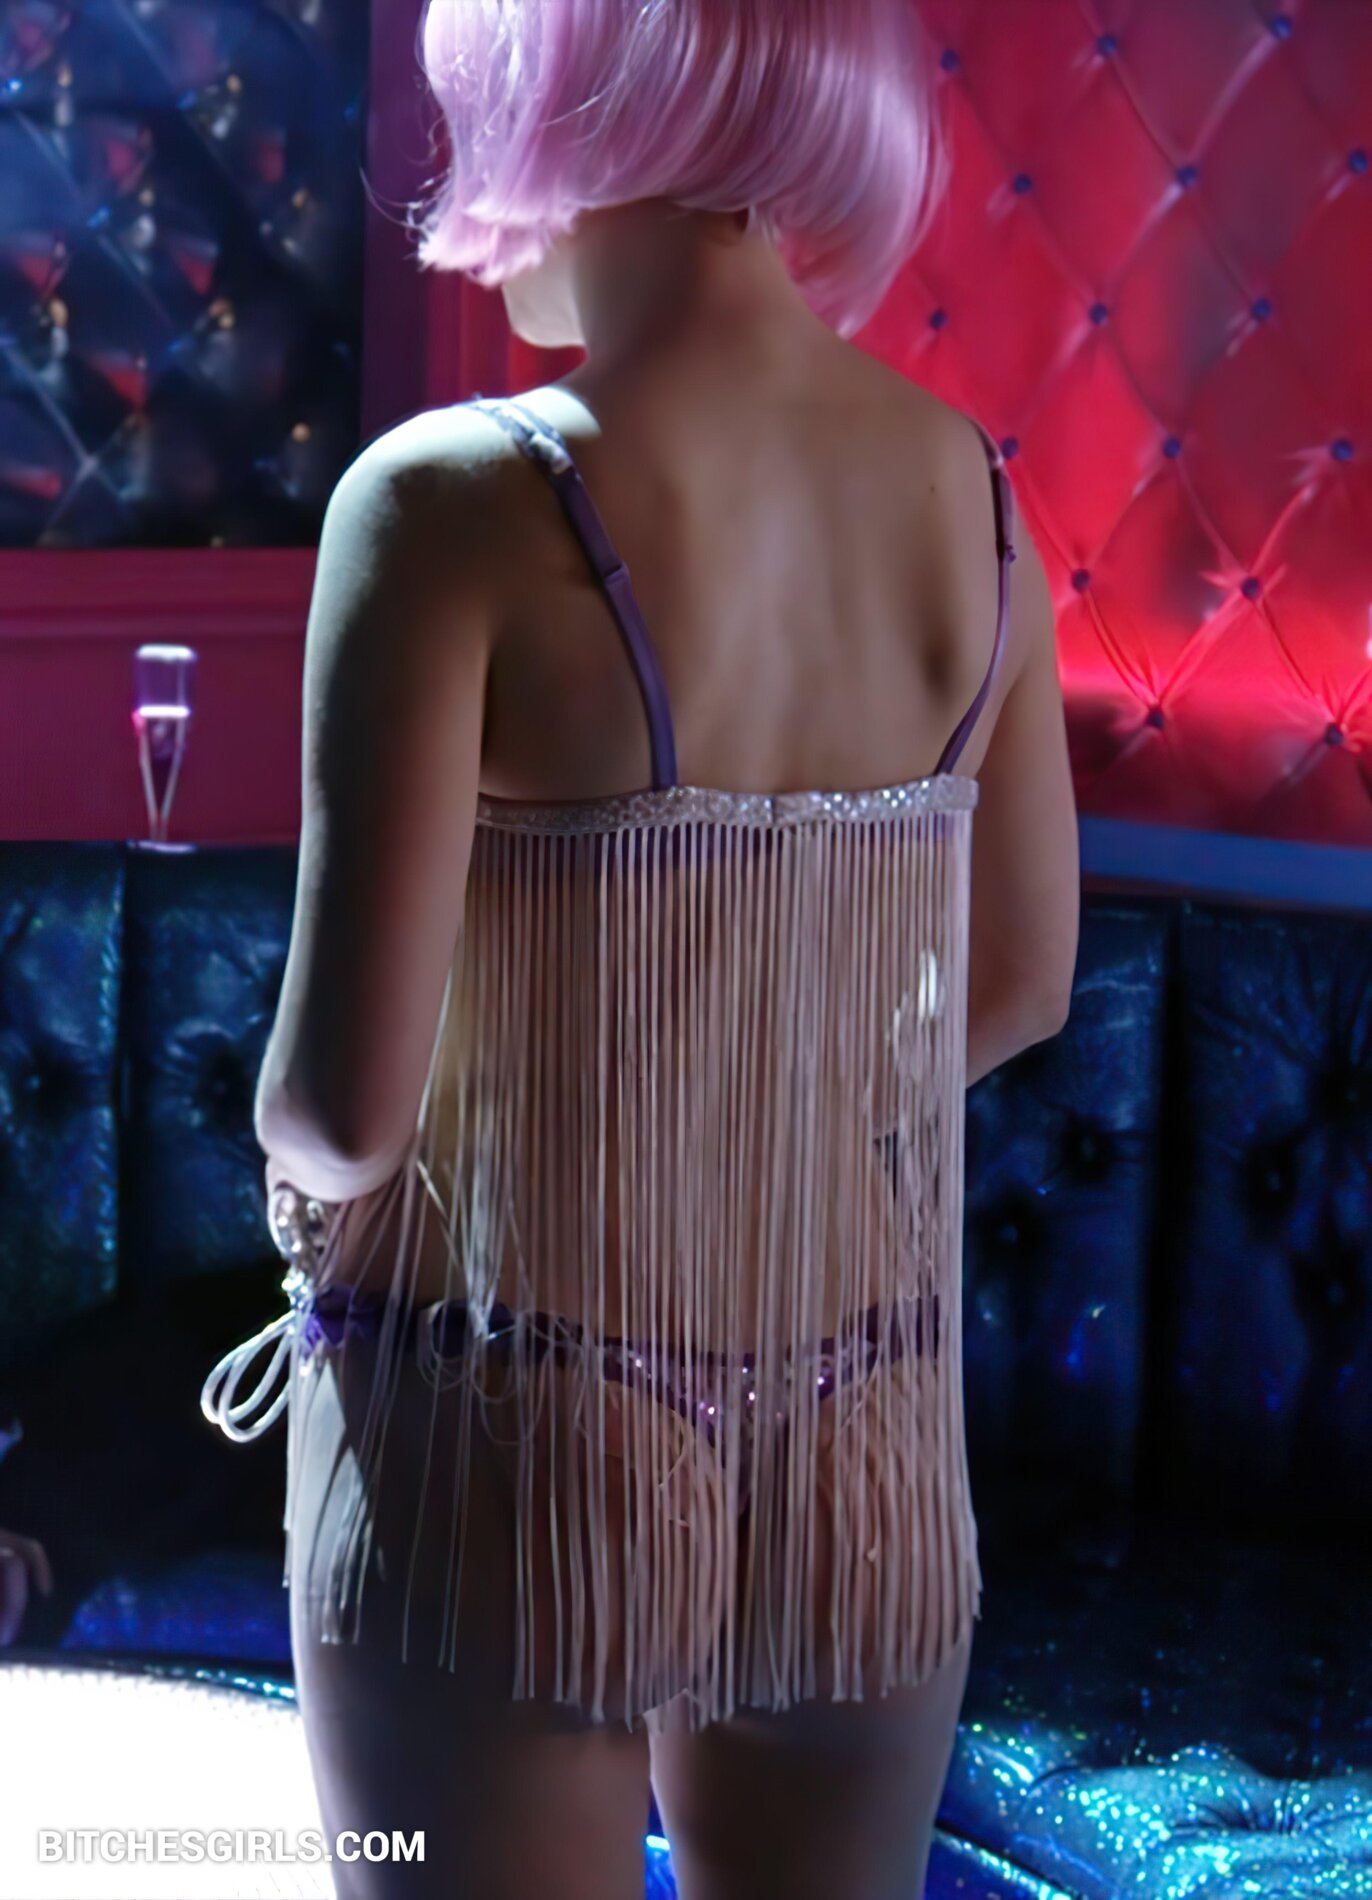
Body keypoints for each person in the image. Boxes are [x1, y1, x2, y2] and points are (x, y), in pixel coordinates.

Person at [203, 3, 1079, 1894]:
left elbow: (342, 1110)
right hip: (861, 1436)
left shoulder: (447, 502)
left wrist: (284, 1182)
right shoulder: (978, 495)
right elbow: (1023, 979)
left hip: (510, 1423)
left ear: (562, 102)